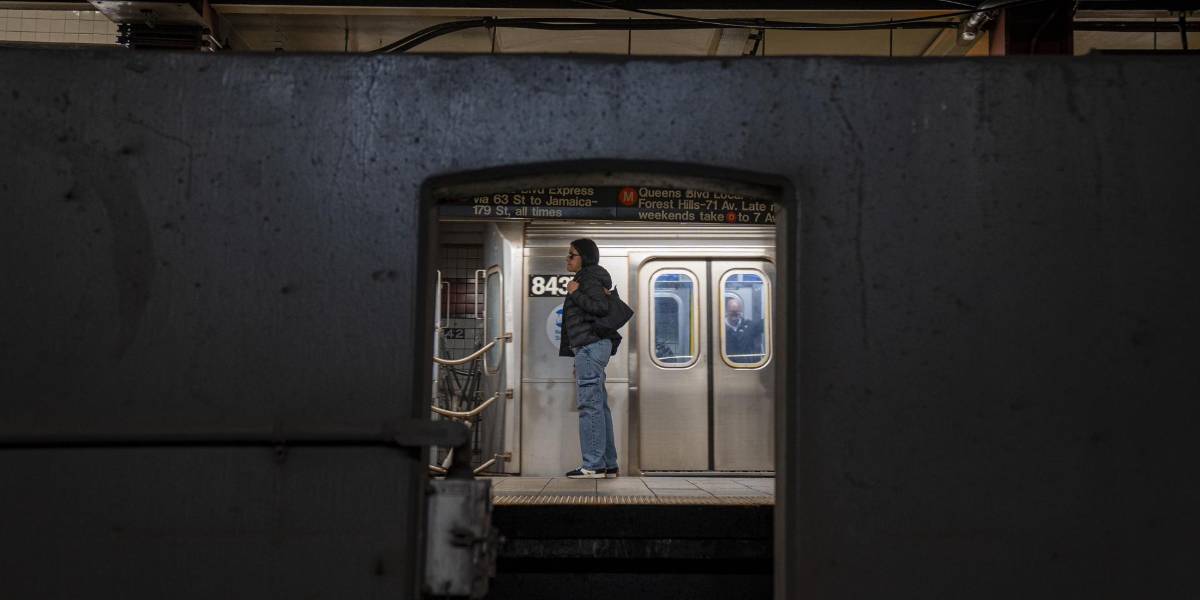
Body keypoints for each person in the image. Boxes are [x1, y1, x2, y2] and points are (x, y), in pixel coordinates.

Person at [559, 238, 622, 479]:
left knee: (589, 405)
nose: (567, 259)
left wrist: (575, 294)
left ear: (584, 258)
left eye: (571, 255)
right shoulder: (589, 278)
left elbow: (600, 308)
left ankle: (593, 465)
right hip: (589, 348)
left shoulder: (588, 278)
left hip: (590, 347)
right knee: (599, 405)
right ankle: (608, 463)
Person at [724, 296, 764, 364]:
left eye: (737, 312)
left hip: (746, 365)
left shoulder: (750, 326)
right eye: (732, 312)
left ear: (741, 312)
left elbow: (766, 323)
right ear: (726, 311)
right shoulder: (720, 328)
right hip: (725, 365)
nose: (734, 315)